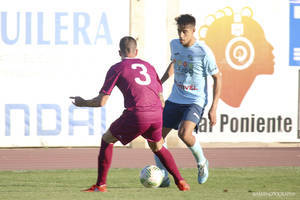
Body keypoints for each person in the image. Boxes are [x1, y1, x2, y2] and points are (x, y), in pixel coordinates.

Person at [70, 36, 190, 192]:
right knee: (157, 146)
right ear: (137, 51)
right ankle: (181, 181)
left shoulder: (117, 68)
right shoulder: (149, 66)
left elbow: (101, 102)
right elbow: (160, 99)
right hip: (157, 113)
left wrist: (83, 102)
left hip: (137, 114)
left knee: (107, 139)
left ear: (119, 52)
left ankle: (100, 185)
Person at [154, 14, 222, 187]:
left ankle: (202, 163)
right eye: (179, 31)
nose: (181, 36)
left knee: (184, 134)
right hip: (175, 98)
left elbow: (217, 78)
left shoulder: (204, 52)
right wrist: (159, 83)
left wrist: (214, 107)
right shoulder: (174, 45)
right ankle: (162, 175)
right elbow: (174, 64)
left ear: (193, 31)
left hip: (195, 100)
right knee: (156, 138)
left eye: (185, 32)